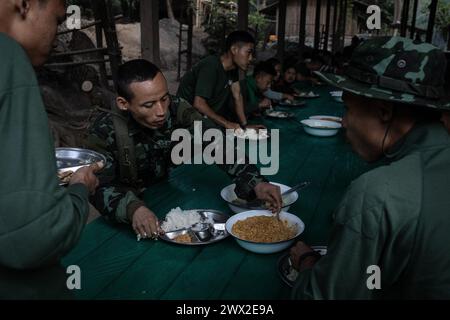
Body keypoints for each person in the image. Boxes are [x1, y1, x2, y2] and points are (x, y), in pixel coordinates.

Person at [290, 36, 450, 299]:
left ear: (384, 111)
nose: (343, 122)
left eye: (348, 109)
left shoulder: (378, 193)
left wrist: (307, 262)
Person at [86, 59, 282, 240]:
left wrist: (255, 182)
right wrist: (133, 208)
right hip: (127, 211)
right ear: (123, 103)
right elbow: (97, 186)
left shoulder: (177, 108)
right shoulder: (104, 131)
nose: (161, 111)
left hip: (165, 193)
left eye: (164, 98)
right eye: (149, 105)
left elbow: (215, 143)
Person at [0, 0, 100, 298]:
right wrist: (80, 191)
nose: (57, 36)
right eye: (57, 21)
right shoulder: (8, 58)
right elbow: (35, 235)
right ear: (25, 4)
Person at [177, 30, 255, 130]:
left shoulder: (233, 69)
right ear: (234, 49)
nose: (251, 58)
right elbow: (199, 104)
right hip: (187, 122)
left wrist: (245, 125)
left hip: (205, 120)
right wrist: (227, 123)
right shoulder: (211, 65)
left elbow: (237, 95)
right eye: (248, 52)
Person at [230, 61, 277, 128]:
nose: (269, 86)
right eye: (268, 82)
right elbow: (235, 109)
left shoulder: (257, 89)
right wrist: (259, 105)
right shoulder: (242, 87)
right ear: (258, 78)